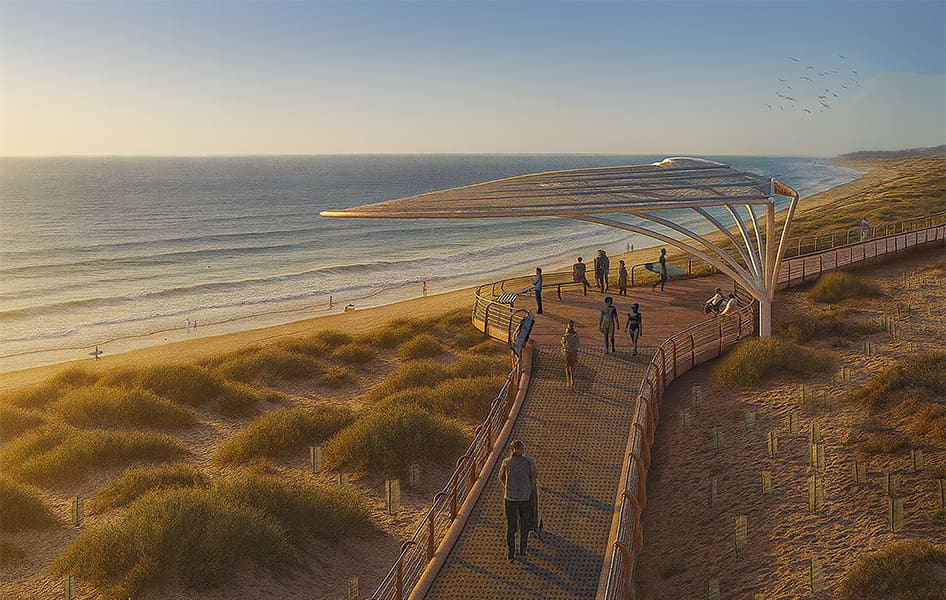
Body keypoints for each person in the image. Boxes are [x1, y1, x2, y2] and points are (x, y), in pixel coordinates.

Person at [498, 439, 536, 561]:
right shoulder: (529, 461)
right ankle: (522, 551)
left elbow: (500, 476)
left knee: (511, 525)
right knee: (524, 524)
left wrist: (506, 486)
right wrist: (530, 488)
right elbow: (533, 476)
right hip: (524, 497)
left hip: (510, 497)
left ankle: (511, 553)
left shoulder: (506, 462)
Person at [561, 320, 580, 389]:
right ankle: (571, 380)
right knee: (571, 367)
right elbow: (577, 342)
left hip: (568, 352)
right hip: (573, 352)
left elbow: (563, 342)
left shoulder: (566, 335)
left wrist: (564, 348)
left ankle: (569, 381)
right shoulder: (575, 335)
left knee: (568, 367)